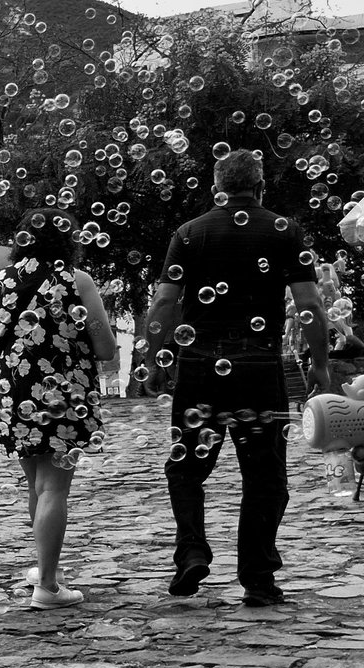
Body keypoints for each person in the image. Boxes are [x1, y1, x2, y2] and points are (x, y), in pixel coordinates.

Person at [144, 149, 330, 607]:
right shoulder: (284, 231)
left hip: (199, 367)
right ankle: (258, 579)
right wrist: (321, 365)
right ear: (260, 185)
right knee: (266, 476)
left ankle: (191, 551)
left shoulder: (189, 234)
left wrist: (153, 357)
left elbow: (165, 303)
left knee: (185, 467)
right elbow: (310, 303)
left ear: (216, 189)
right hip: (260, 368)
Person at [0, 208, 115, 610]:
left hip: (11, 392)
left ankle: (42, 567)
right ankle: (48, 586)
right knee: (54, 487)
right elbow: (104, 348)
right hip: (63, 394)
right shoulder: (76, 280)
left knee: (37, 484)